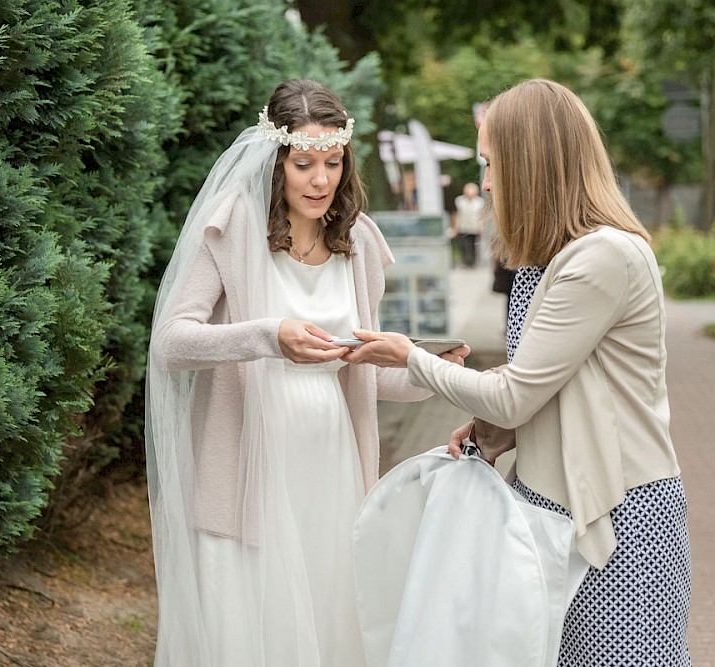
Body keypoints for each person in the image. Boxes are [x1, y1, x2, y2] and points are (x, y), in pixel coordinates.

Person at [347, 79, 691, 665]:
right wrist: (496, 433)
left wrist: (412, 358)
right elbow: (548, 389)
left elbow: (513, 394)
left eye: (491, 163)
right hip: (553, 508)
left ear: (532, 163)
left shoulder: (601, 256)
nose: (483, 182)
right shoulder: (548, 260)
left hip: (617, 517)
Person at [145, 79, 467, 666]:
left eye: (334, 163)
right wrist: (269, 337)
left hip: (331, 464)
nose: (321, 181)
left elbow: (366, 374)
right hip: (249, 465)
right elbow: (170, 343)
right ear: (274, 164)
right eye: (303, 165)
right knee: (251, 627)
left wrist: (425, 368)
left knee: (325, 621)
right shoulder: (234, 226)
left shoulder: (358, 242)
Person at [451, 182, 484, 268]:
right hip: (462, 227)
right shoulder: (459, 201)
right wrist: (454, 227)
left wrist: (482, 227)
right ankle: (465, 261)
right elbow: (455, 214)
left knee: (473, 245)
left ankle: (472, 262)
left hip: (475, 227)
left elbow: (482, 215)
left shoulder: (480, 202)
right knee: (464, 245)